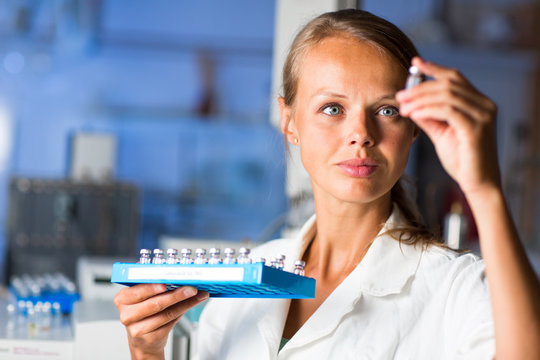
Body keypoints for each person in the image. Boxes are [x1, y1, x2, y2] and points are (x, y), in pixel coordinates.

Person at [114, 9, 540, 359]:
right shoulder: (250, 277)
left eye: (387, 110)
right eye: (333, 108)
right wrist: (147, 352)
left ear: (414, 128)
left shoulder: (454, 287)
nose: (361, 133)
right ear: (289, 121)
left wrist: (484, 189)